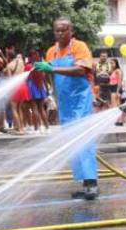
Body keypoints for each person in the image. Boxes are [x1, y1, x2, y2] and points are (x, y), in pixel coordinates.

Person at [34, 18, 98, 199]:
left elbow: (80, 70)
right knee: (72, 141)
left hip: (80, 99)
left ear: (71, 31)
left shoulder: (79, 47)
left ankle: (92, 183)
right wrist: (50, 94)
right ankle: (84, 185)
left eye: (64, 30)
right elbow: (50, 76)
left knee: (85, 138)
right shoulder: (51, 51)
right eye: (57, 31)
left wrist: (52, 70)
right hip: (64, 102)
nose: (60, 34)